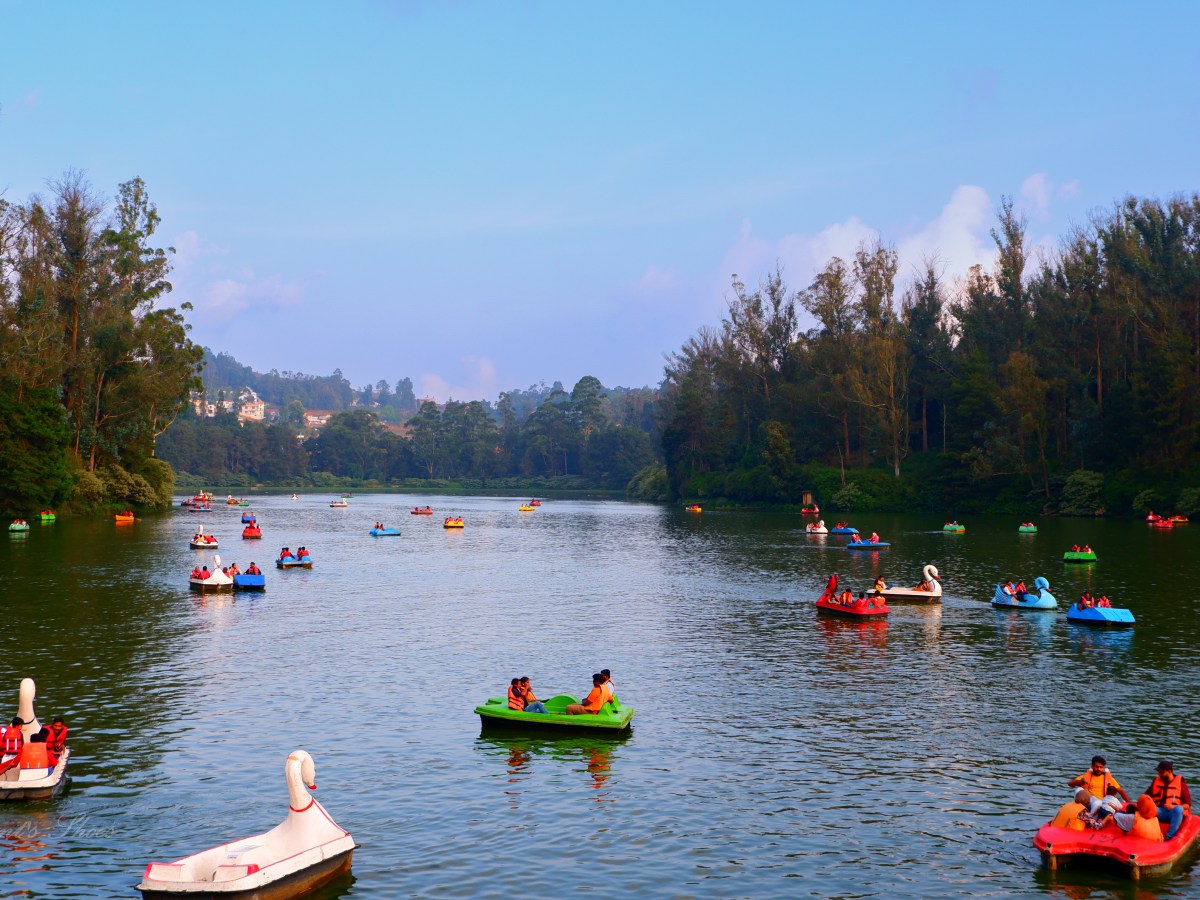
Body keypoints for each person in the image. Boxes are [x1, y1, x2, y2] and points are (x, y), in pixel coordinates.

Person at [1146, 760, 1191, 840]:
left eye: (1162, 772)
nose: (1159, 774)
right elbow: (1145, 796)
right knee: (1148, 807)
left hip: (1173, 813)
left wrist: (1172, 807)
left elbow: (1187, 805)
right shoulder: (1156, 781)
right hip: (1159, 811)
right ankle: (1148, 833)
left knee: (1179, 809)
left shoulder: (1181, 784)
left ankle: (1169, 836)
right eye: (1159, 772)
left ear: (1169, 771)